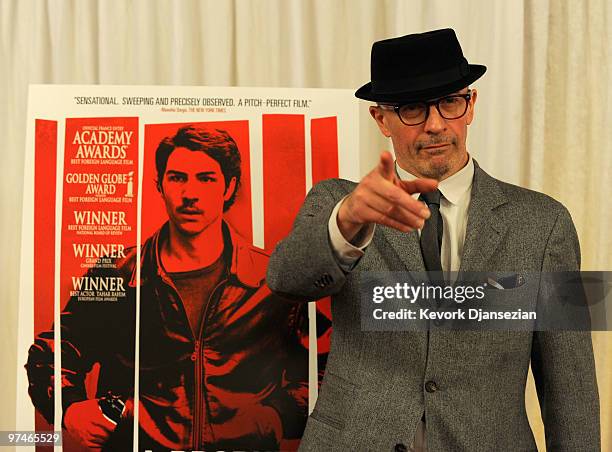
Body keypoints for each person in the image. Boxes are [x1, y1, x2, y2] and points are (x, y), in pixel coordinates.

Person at [266, 29, 600, 451]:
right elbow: (285, 278)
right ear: (380, 118)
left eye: (449, 102)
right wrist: (348, 220)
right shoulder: (338, 202)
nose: (436, 124)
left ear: (471, 105)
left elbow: (570, 384)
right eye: (412, 109)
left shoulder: (545, 222)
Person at [26, 125, 308, 451]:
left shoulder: (271, 279)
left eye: (206, 178)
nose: (190, 193)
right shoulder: (118, 274)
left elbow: (321, 365)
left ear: (229, 187)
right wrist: (70, 409)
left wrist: (275, 418)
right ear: (159, 185)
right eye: (177, 178)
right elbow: (52, 353)